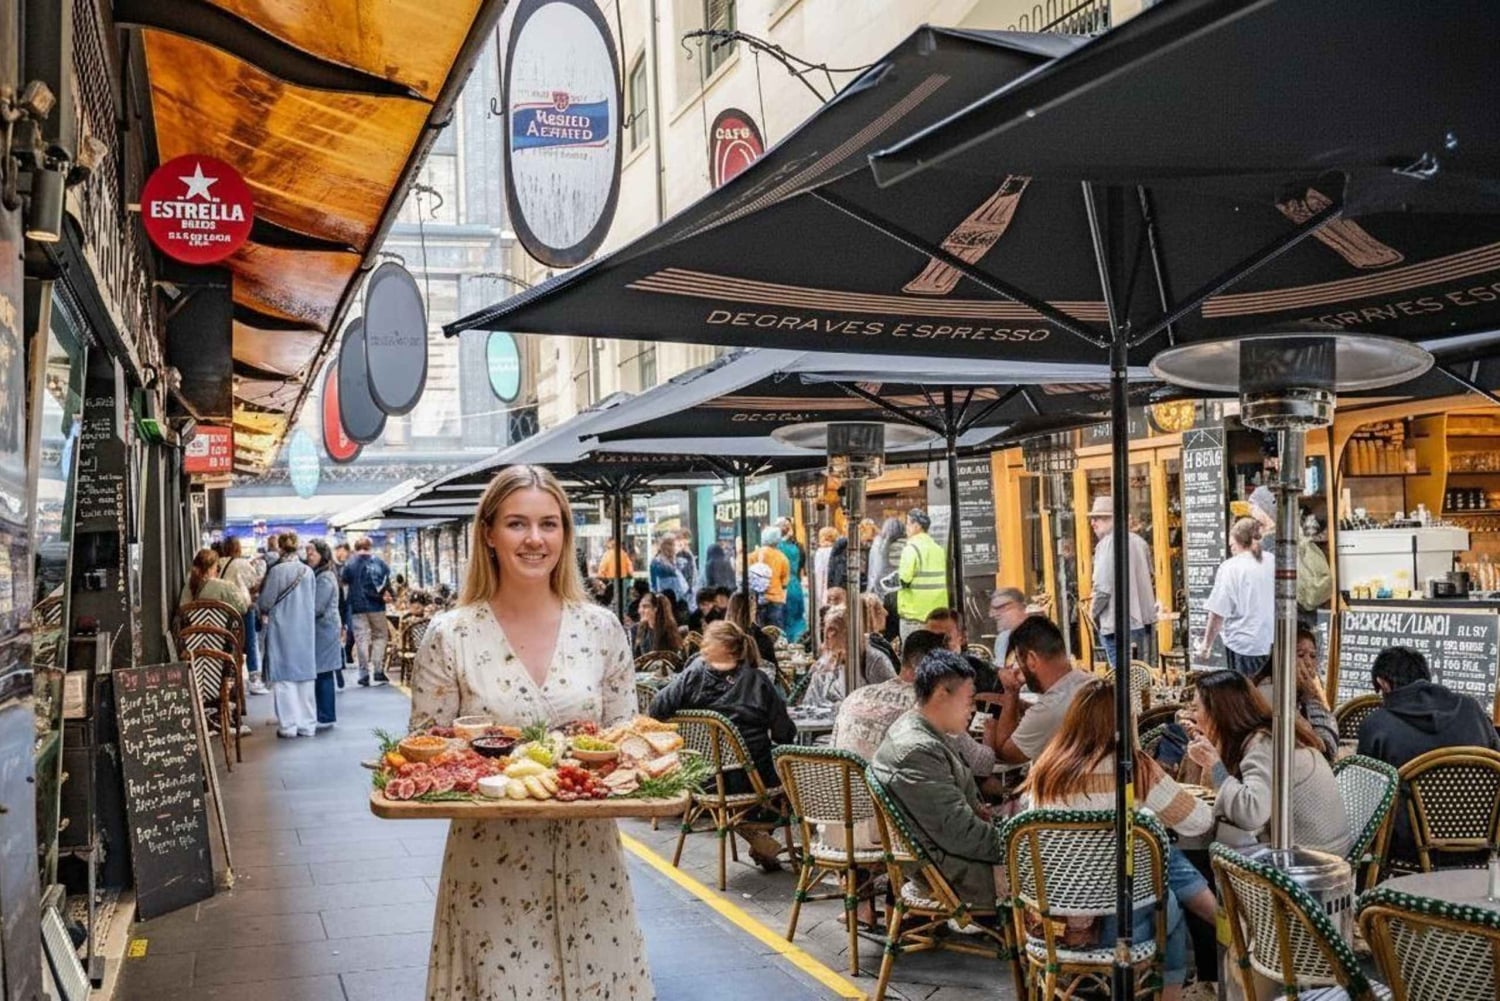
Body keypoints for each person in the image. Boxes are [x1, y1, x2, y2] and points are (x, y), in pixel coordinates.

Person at [409, 464, 650, 998]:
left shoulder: (601, 628)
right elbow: (425, 750)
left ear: (565, 535)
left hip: (592, 861)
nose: (535, 539)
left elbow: (623, 740)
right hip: (491, 864)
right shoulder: (451, 635)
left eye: (550, 524)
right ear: (489, 534)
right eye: (518, 524)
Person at [1023, 679, 1199, 999]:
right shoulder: (1135, 768)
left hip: (1054, 919)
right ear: (1125, 720)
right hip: (1121, 925)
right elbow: (1198, 822)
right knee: (1168, 900)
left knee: (1159, 875)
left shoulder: (1044, 770)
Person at [649, 620, 794, 868]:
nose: (701, 646)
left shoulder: (693, 675)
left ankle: (753, 834)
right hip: (751, 780)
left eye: (706, 640)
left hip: (701, 777)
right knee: (790, 779)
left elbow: (656, 709)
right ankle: (760, 837)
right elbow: (784, 733)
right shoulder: (757, 680)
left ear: (723, 646)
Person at [870, 651, 1006, 908]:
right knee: (1061, 870)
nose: (973, 709)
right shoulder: (917, 749)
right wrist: (1016, 844)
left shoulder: (920, 731)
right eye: (969, 700)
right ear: (943, 694)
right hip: (956, 873)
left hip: (949, 859)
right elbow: (961, 835)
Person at [1356, 646, 1500, 866]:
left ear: (1383, 683)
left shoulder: (1376, 724)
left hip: (1408, 850)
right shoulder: (1473, 710)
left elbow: (1364, 804)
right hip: (1482, 846)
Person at [1184, 670, 1351, 856]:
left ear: (1218, 713)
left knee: (1192, 853)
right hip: (1317, 852)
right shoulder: (1264, 734)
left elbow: (1251, 814)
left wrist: (1214, 765)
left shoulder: (1264, 743)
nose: (1191, 716)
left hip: (1312, 863)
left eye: (1195, 708)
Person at [990, 616, 1093, 764]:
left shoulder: (1052, 707)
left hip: (1069, 785)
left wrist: (1011, 692)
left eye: (1019, 661)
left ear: (1031, 659)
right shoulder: (1085, 681)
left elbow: (1006, 752)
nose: (1018, 668)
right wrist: (1023, 706)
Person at [256, 531, 317, 738]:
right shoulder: (308, 572)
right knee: (305, 677)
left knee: (284, 679)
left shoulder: (277, 572)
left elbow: (265, 602)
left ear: (280, 548)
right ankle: (307, 724)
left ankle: (289, 726)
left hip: (282, 628)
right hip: (305, 629)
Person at [1197, 518, 1275, 677]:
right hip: (1274, 642)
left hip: (1244, 645)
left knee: (1247, 695)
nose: (1231, 549)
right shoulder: (1273, 561)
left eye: (1231, 545)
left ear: (1239, 541)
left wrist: (1206, 645)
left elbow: (1218, 612)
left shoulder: (1231, 567)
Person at [1087, 495, 1157, 667]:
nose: (1093, 523)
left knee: (1121, 681)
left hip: (1117, 625)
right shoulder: (1140, 543)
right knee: (1139, 676)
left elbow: (1103, 589)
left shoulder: (1106, 545)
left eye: (1098, 518)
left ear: (1112, 519)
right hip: (1142, 622)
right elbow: (1151, 576)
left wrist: (1091, 612)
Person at [1250, 625, 1337, 758]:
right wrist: (1313, 698)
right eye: (1300, 655)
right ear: (1281, 657)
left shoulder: (1299, 692)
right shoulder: (1270, 693)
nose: (1308, 662)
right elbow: (1326, 750)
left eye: (1313, 656)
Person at [801, 605, 896, 708]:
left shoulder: (875, 660)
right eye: (826, 629)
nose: (829, 635)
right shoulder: (826, 661)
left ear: (849, 632)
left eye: (834, 630)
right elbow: (811, 701)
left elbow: (891, 700)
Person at [218, 536, 267, 695]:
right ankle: (253, 679)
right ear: (238, 548)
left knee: (229, 642)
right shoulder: (242, 564)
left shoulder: (219, 562)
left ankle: (230, 678)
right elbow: (254, 583)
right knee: (250, 642)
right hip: (243, 608)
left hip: (224, 609)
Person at [342, 537, 393, 686]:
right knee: (380, 636)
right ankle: (378, 670)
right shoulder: (379, 562)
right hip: (377, 606)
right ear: (370, 546)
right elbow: (387, 582)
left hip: (357, 607)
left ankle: (363, 673)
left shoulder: (350, 564)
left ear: (356, 547)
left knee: (361, 639)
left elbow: (344, 584)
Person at [896, 509, 947, 640]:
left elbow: (904, 579)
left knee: (914, 656)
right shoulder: (939, 549)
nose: (906, 528)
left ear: (917, 526)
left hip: (915, 615)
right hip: (937, 614)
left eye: (908, 523)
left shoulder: (911, 548)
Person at [923, 606, 999, 695]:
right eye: (928, 639)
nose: (935, 645)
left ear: (962, 638)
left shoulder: (984, 676)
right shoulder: (916, 673)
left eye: (944, 639)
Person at [306, 539, 341, 729]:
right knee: (322, 671)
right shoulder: (320, 574)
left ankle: (326, 715)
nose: (308, 556)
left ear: (322, 554)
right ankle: (323, 714)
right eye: (307, 552)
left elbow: (317, 607)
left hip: (324, 630)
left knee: (324, 672)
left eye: (312, 552)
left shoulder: (325, 577)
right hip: (323, 630)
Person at [181, 547, 250, 616]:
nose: (217, 572)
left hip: (193, 626)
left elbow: (182, 610)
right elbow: (243, 608)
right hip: (219, 626)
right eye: (217, 568)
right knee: (250, 611)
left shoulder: (188, 584)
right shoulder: (224, 586)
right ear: (209, 569)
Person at [747, 526, 792, 629]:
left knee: (759, 630)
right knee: (776, 631)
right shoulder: (782, 557)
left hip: (758, 598)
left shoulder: (753, 555)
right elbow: (785, 581)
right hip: (776, 598)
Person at [776, 517, 809, 643]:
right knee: (797, 618)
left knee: (783, 619)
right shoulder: (798, 547)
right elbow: (801, 566)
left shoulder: (776, 548)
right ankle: (797, 644)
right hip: (795, 585)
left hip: (782, 587)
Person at [726, 592, 777, 664]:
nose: (755, 612)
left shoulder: (721, 636)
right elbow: (772, 668)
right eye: (754, 609)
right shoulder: (760, 639)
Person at [633, 592, 685, 658]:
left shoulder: (667, 633)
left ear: (655, 609)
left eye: (645, 607)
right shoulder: (640, 630)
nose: (640, 611)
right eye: (640, 607)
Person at [988, 587, 1029, 666]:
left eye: (1001, 607)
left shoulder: (1038, 635)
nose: (992, 615)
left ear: (1022, 607)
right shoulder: (1002, 639)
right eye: (993, 609)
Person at [649, 533, 690, 610]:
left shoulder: (680, 561)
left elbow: (685, 584)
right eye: (669, 544)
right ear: (663, 546)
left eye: (673, 545)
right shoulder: (657, 563)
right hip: (664, 602)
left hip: (680, 601)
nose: (672, 548)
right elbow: (654, 585)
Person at [864, 517, 900, 595]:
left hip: (882, 587)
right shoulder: (899, 543)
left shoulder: (880, 544)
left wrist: (871, 588)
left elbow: (876, 569)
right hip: (891, 586)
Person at [813, 526, 837, 605]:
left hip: (825, 592)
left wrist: (819, 597)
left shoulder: (821, 552)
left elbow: (819, 574)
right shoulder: (837, 551)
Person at [674, 528, 698, 595]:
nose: (685, 546)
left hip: (688, 589)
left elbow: (693, 572)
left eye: (687, 544)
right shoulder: (675, 554)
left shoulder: (688, 554)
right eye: (682, 544)